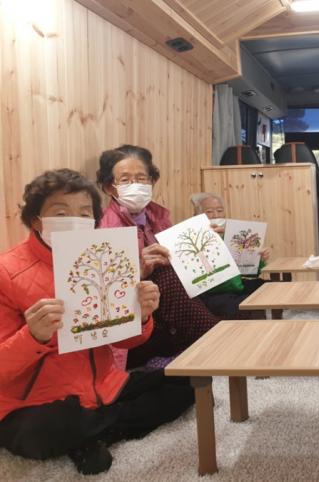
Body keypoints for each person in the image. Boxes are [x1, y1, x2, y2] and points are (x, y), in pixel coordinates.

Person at [0, 169, 194, 475]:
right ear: (36, 220)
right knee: (43, 428)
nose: (74, 221)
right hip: (37, 401)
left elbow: (126, 341)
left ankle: (93, 434)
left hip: (104, 385)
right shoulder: (7, 272)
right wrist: (33, 337)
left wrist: (141, 315)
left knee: (190, 383)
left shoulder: (106, 259)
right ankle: (94, 431)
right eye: (60, 213)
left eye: (84, 213)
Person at [97, 145, 222, 367]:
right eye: (125, 180)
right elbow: (107, 294)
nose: (135, 185)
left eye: (141, 178)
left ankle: (215, 335)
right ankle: (215, 339)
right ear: (109, 188)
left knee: (234, 303)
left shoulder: (158, 216)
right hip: (138, 319)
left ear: (151, 182)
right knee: (165, 275)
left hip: (171, 306)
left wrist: (206, 245)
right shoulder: (105, 230)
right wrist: (140, 271)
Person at [191, 193, 269, 318]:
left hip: (237, 287)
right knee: (250, 305)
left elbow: (250, 272)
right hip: (213, 295)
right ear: (197, 216)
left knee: (273, 286)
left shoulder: (230, 236)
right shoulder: (194, 240)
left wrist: (259, 260)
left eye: (220, 210)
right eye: (209, 212)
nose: (216, 215)